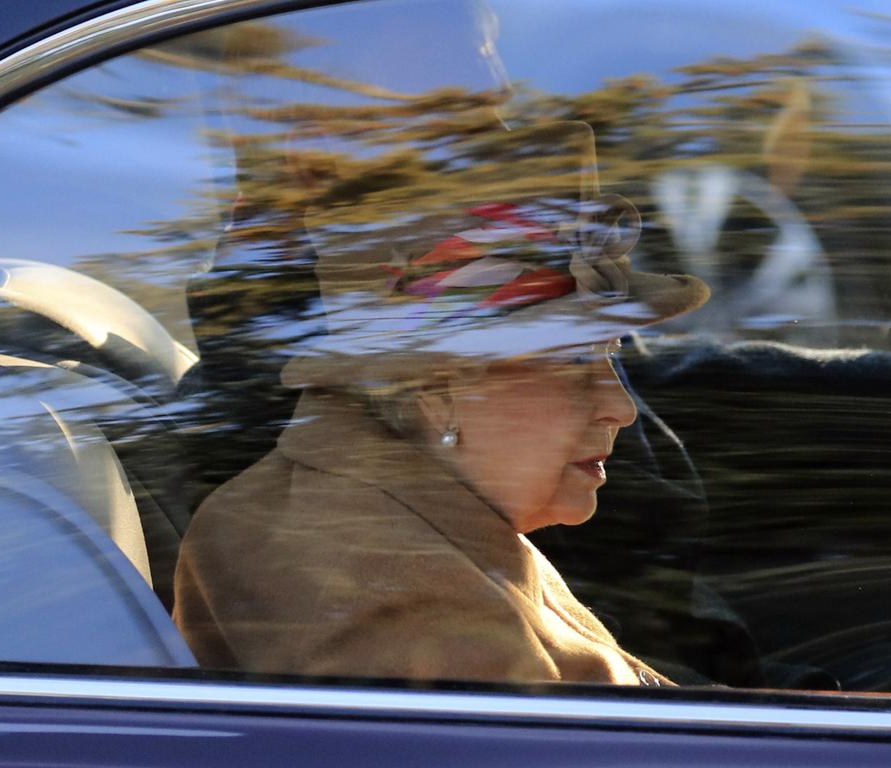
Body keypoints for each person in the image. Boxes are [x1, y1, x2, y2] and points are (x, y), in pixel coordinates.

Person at [172, 178, 712, 685]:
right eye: (574, 361)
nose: (621, 408)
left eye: (612, 352)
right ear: (434, 391)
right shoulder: (391, 593)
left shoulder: (424, 516)